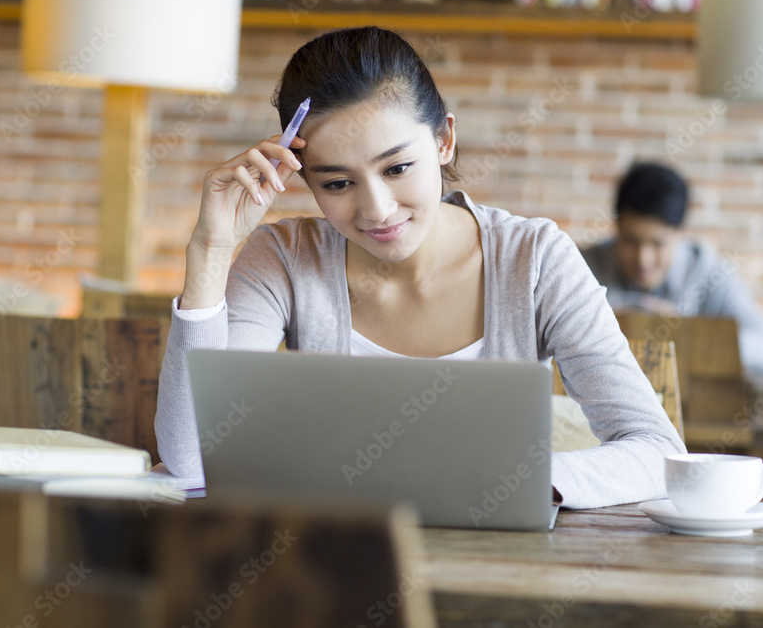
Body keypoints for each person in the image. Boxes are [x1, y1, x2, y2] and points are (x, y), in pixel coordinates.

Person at [155, 27, 685, 511]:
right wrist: (211, 250)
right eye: (337, 184)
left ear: (444, 140)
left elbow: (657, 450)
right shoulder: (282, 259)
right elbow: (193, 458)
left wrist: (520, 479)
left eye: (398, 167)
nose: (377, 210)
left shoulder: (535, 259)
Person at [579, 162, 763, 379]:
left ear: (682, 233)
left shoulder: (711, 274)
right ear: (616, 226)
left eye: (658, 243)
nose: (644, 259)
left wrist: (687, 334)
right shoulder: (582, 268)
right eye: (631, 241)